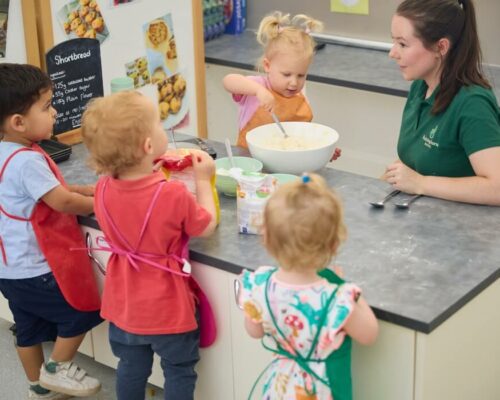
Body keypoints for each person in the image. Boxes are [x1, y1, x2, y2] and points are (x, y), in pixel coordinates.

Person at [81, 91, 218, 400]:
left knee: (130, 366)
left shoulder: (102, 188)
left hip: (124, 304)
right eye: (158, 123)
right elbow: (206, 225)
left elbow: (130, 203)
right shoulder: (172, 194)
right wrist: (203, 181)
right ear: (147, 146)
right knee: (179, 369)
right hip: (168, 308)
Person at [0, 63, 102, 399]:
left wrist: (84, 189)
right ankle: (56, 371)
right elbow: (60, 202)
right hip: (37, 267)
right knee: (84, 311)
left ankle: (37, 390)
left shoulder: (7, 152)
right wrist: (105, 203)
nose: (55, 112)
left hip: (9, 269)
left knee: (27, 327)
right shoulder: (28, 160)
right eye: (46, 106)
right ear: (18, 122)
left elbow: (40, 191)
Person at [237, 173, 378, 400]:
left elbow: (254, 331)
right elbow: (369, 334)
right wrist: (343, 286)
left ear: (267, 240)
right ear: (333, 245)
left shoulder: (259, 285)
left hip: (279, 390)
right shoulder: (336, 298)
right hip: (318, 392)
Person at [384, 0, 500, 205]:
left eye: (402, 44)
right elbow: (414, 161)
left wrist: (421, 183)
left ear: (441, 47)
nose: (392, 53)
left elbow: (497, 188)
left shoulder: (472, 104)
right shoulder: (420, 87)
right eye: (394, 42)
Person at [223, 11, 340, 160]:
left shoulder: (300, 96)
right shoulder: (257, 86)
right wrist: (258, 91)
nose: (294, 82)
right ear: (267, 65)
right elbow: (228, 81)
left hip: (290, 166)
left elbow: (301, 138)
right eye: (286, 74)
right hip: (251, 163)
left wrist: (321, 152)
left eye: (301, 75)